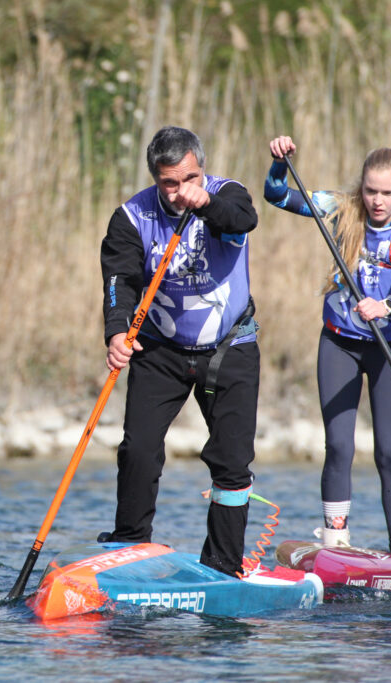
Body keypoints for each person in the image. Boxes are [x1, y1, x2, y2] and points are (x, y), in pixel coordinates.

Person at [98, 126, 261, 577]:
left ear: (200, 170)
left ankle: (224, 565)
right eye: (169, 183)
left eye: (188, 179)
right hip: (161, 349)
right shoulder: (131, 217)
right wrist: (116, 333)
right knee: (138, 448)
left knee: (231, 462)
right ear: (156, 178)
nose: (178, 191)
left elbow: (242, 220)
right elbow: (119, 281)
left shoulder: (226, 195)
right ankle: (131, 544)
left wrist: (204, 203)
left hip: (229, 349)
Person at [263, 135, 391, 555]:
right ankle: (336, 542)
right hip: (338, 343)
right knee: (338, 445)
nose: (377, 201)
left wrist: (387, 305)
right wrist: (279, 163)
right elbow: (276, 195)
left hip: (390, 346)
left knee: (389, 453)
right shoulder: (341, 210)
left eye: (387, 193)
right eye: (370, 190)